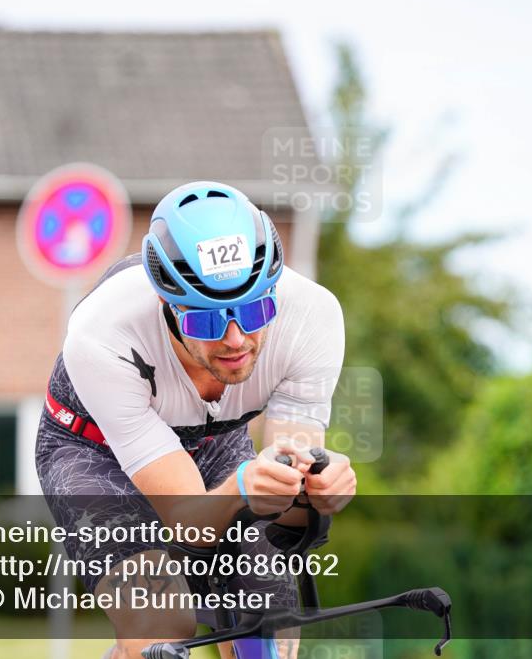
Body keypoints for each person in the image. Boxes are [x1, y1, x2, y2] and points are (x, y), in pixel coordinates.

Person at [35, 181, 357, 659]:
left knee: (268, 623)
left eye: (255, 311)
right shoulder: (102, 332)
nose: (236, 339)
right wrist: (242, 488)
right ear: (167, 304)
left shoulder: (312, 317)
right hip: (92, 449)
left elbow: (285, 505)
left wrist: (317, 491)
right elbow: (188, 523)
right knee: (161, 624)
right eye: (207, 320)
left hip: (216, 440)